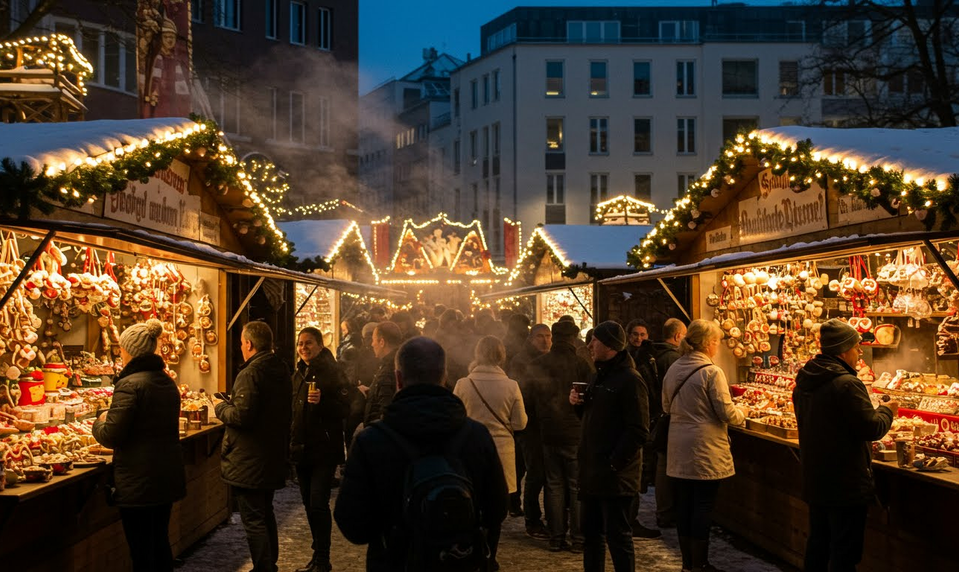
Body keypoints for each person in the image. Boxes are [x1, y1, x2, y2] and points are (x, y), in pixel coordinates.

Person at [333, 337, 509, 571]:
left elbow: (352, 525)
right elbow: (496, 509)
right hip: (456, 561)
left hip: (395, 561)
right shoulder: (476, 436)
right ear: (443, 376)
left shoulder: (371, 441)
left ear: (398, 379)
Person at [793, 319, 898, 572]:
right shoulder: (847, 384)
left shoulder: (805, 381)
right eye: (856, 347)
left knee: (818, 545)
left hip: (816, 479)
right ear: (843, 350)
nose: (860, 352)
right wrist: (887, 410)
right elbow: (872, 428)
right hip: (845, 483)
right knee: (844, 552)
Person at [92, 319, 185, 572]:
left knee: (142, 552)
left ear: (130, 350)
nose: (119, 352)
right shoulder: (166, 381)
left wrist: (99, 422)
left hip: (138, 481)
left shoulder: (130, 384)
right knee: (159, 543)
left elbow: (111, 435)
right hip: (164, 476)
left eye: (121, 348)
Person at [662, 319, 746, 572]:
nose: (718, 346)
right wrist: (742, 412)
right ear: (709, 343)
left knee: (685, 505)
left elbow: (666, 406)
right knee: (702, 506)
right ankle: (700, 563)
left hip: (678, 446)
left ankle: (688, 563)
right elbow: (726, 412)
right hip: (704, 448)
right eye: (717, 341)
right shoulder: (712, 372)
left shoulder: (674, 368)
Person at [569, 321, 648, 572]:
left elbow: (638, 431)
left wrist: (614, 462)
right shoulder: (598, 376)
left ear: (611, 346)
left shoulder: (630, 380)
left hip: (615, 477)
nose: (590, 345)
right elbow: (595, 421)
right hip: (593, 471)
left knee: (618, 537)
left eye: (595, 340)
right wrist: (578, 406)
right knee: (591, 536)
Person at [214, 321, 292, 572]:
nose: (241, 348)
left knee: (254, 519)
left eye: (241, 343)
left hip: (250, 459)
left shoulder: (250, 372)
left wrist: (219, 407)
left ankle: (264, 567)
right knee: (264, 512)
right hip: (270, 454)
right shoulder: (279, 368)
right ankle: (270, 563)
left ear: (248, 344)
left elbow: (242, 416)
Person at [454, 335, 528, 565]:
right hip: (502, 452)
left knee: (472, 505)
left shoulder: (463, 384)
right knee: (495, 510)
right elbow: (520, 423)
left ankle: (472, 551)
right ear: (501, 356)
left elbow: (455, 418)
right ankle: (490, 555)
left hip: (468, 451)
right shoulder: (511, 385)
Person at [290, 327, 351, 572]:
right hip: (302, 449)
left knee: (318, 503)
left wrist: (324, 401)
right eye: (300, 344)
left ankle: (323, 559)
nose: (304, 348)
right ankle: (317, 556)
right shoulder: (298, 373)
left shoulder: (333, 372)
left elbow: (347, 407)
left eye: (309, 343)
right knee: (308, 503)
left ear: (319, 344)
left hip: (324, 449)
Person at [532, 319, 593, 553]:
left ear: (554, 338)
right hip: (575, 432)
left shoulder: (539, 364)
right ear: (573, 338)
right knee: (576, 487)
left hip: (548, 432)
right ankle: (578, 539)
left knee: (554, 485)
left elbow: (531, 397)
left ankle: (556, 537)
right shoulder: (581, 365)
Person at [508, 323, 552, 540]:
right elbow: (519, 392)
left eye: (548, 336)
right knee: (533, 472)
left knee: (535, 471)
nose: (545, 341)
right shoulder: (521, 360)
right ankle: (531, 519)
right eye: (540, 337)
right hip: (529, 424)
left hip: (545, 424)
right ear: (531, 338)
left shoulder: (550, 359)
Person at [624, 318, 661, 538]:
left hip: (650, 416)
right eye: (635, 334)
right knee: (636, 471)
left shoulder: (651, 356)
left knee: (642, 471)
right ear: (628, 336)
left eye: (643, 334)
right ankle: (630, 519)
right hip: (639, 418)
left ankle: (630, 517)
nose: (639, 338)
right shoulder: (628, 358)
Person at [652, 318, 687, 529]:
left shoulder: (656, 354)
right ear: (677, 337)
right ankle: (667, 512)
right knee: (666, 466)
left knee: (663, 464)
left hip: (660, 416)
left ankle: (664, 511)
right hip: (669, 418)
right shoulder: (674, 359)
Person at [361, 321, 403, 424]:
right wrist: (373, 390)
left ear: (382, 342)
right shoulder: (400, 362)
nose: (372, 344)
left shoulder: (388, 369)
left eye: (373, 340)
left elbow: (386, 412)